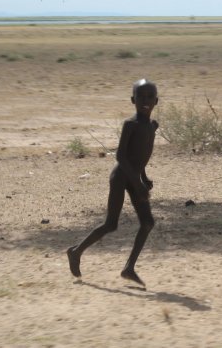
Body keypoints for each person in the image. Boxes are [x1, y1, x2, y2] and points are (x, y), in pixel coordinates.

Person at [67, 79, 159, 287]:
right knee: (111, 224)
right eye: (140, 97)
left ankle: (129, 268)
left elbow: (140, 156)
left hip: (135, 178)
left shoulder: (153, 126)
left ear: (156, 101)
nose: (145, 101)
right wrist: (138, 182)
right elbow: (121, 156)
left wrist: (144, 178)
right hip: (120, 177)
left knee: (147, 222)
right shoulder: (131, 124)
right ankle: (76, 252)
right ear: (132, 100)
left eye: (149, 97)